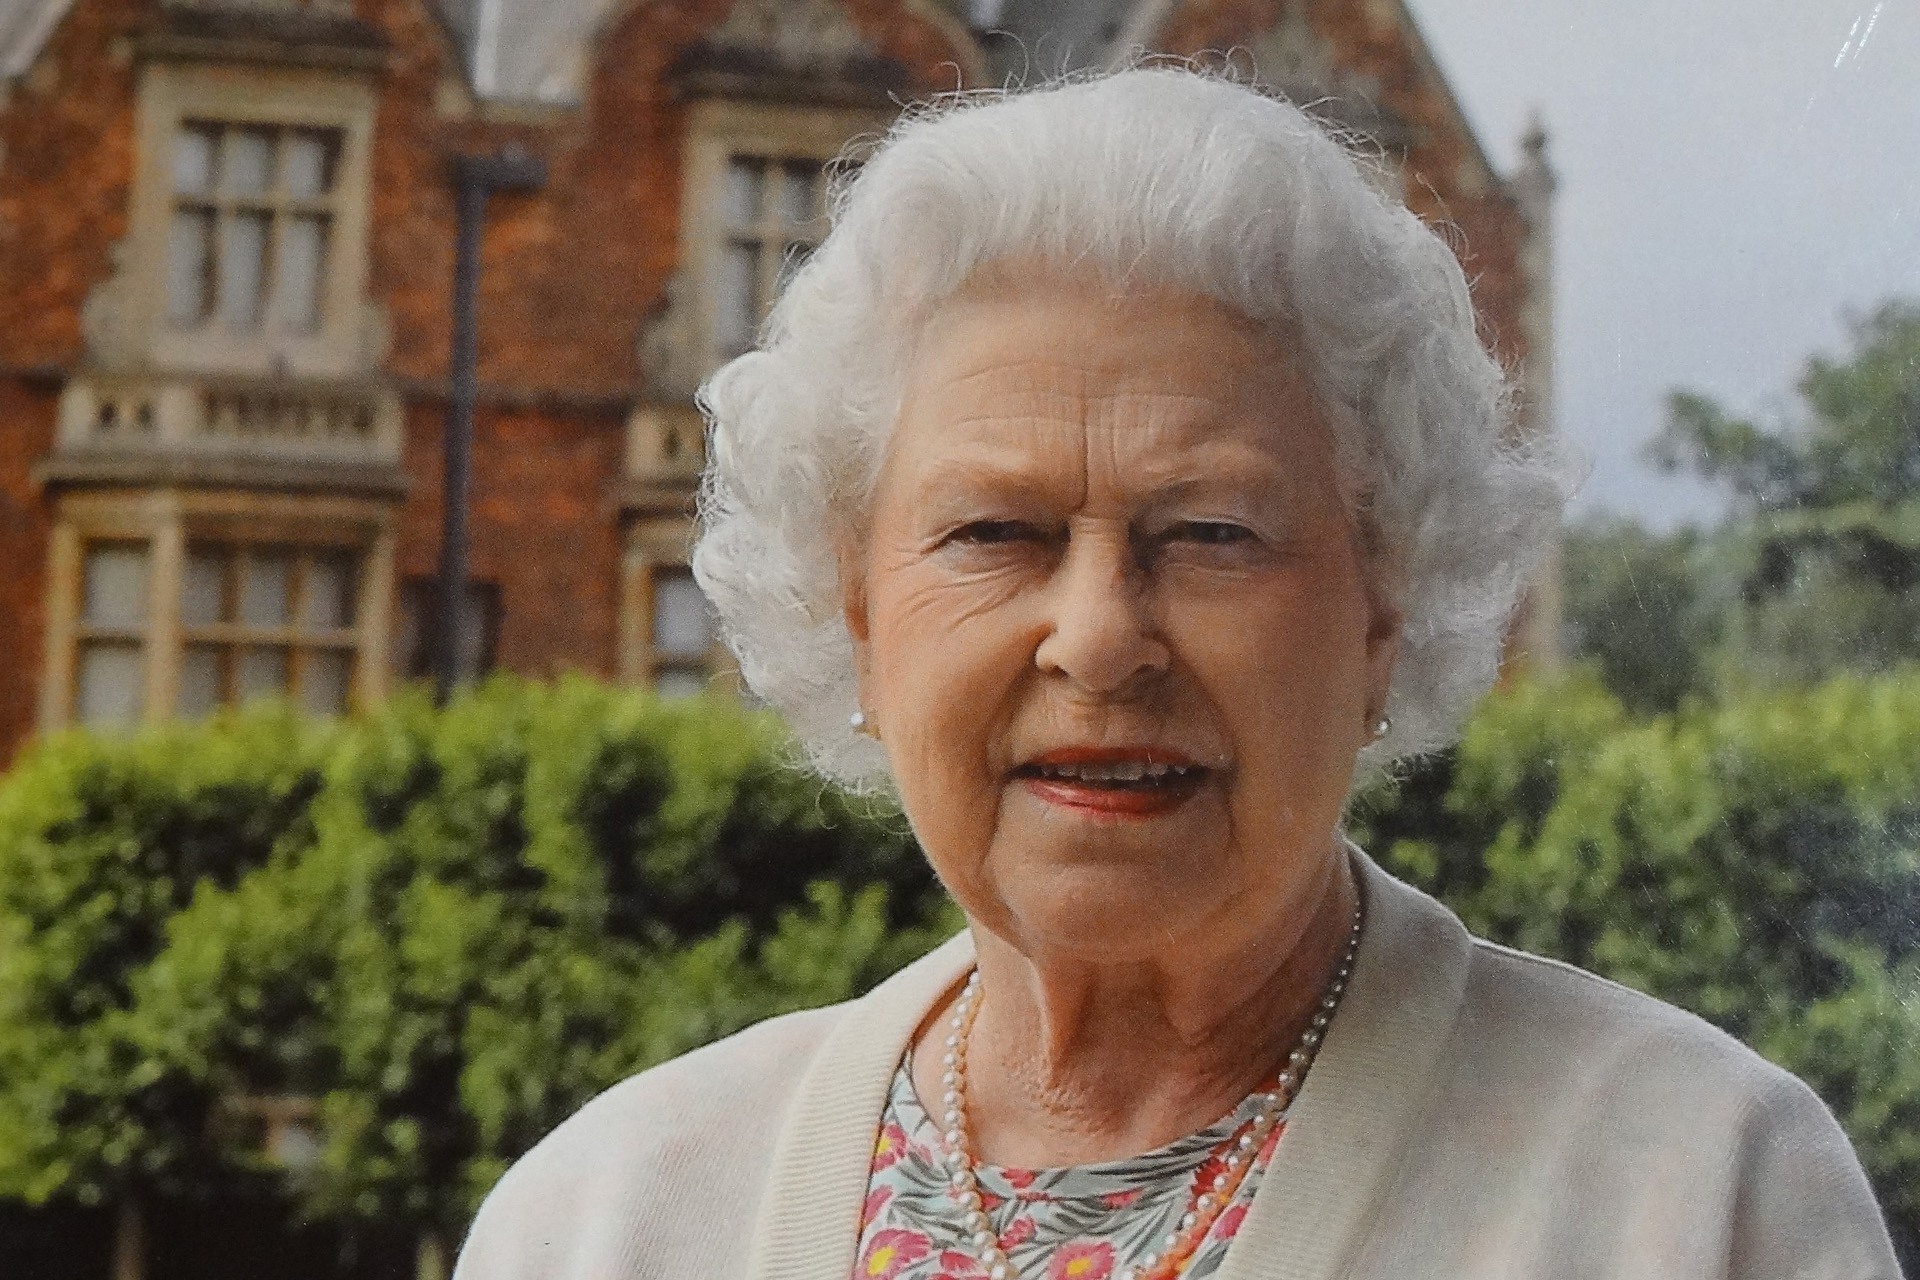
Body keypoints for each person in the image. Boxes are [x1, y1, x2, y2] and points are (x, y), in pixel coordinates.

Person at [452, 68, 1900, 1280]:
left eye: (1211, 532)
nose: (1097, 637)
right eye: (995, 532)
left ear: (1385, 598)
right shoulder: (605, 1220)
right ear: (858, 615)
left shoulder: (1700, 1195)